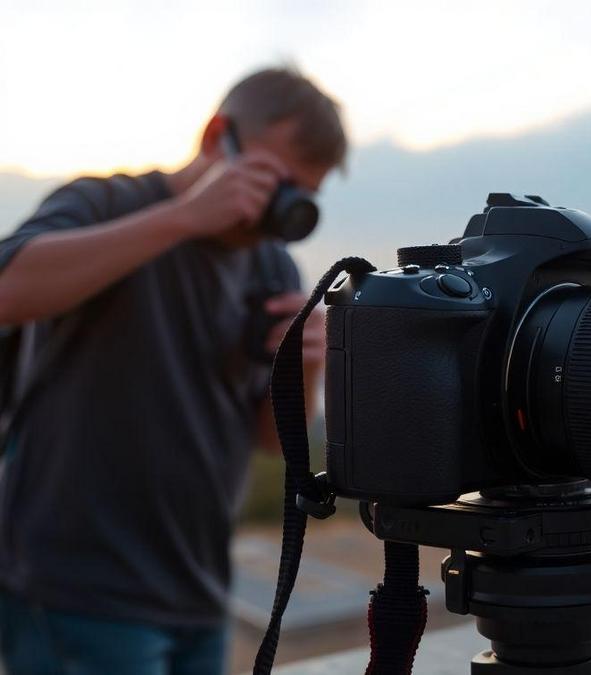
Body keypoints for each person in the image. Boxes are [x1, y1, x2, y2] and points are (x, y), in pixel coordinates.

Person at [0, 66, 345, 674]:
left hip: (198, 588)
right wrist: (185, 218)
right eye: (276, 185)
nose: (280, 216)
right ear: (219, 138)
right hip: (78, 593)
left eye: (302, 199)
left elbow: (269, 441)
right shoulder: (108, 202)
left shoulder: (272, 268)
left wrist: (304, 368)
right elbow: (9, 288)